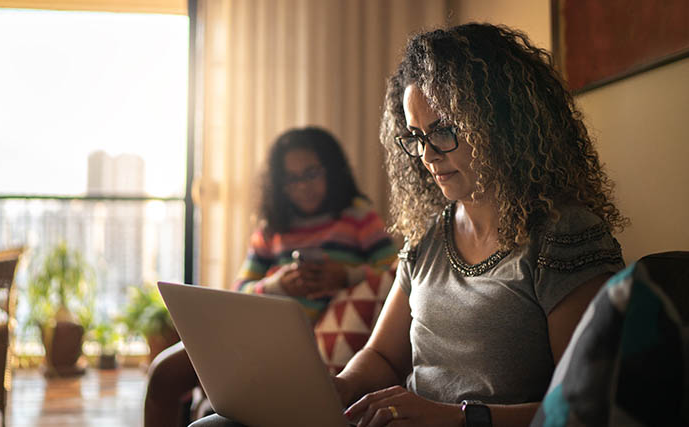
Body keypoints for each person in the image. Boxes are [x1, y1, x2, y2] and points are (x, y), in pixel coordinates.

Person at [190, 23, 628, 427]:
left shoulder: (564, 236)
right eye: (415, 136)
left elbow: (581, 405)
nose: (426, 155)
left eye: (443, 131)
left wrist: (453, 417)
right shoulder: (430, 237)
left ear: (499, 123)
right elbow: (381, 355)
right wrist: (335, 388)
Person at [145, 126, 396, 427]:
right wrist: (278, 285)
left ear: (332, 170)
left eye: (312, 173)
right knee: (164, 372)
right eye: (291, 179)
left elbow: (395, 274)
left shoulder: (358, 216)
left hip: (302, 347)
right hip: (255, 337)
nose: (303, 186)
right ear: (279, 185)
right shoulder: (272, 228)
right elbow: (239, 291)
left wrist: (345, 276)